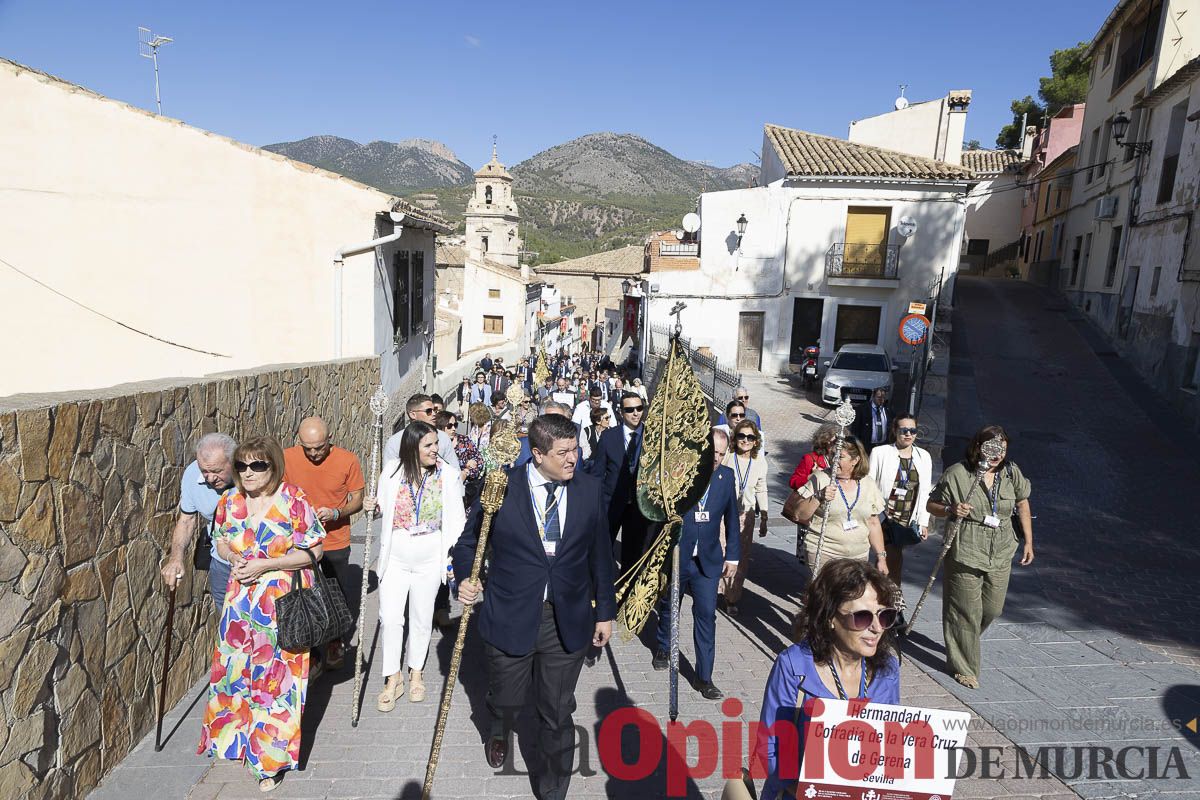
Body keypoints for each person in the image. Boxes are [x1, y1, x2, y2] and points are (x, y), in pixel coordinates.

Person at [454, 414, 616, 799]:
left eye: (575, 449)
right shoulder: (500, 488)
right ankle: (498, 724)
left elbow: (601, 556)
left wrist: (605, 611)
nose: (573, 459)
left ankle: (552, 790)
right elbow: (467, 545)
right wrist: (465, 577)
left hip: (566, 620)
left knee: (556, 712)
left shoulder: (589, 491)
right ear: (538, 453)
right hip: (510, 614)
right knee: (508, 698)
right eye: (563, 452)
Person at [197, 435, 326, 793]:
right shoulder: (231, 500)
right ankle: (241, 745)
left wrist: (268, 564)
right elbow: (221, 538)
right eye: (241, 465)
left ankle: (268, 762)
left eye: (258, 465)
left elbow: (316, 550)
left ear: (273, 466)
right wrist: (233, 556)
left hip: (279, 605)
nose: (249, 472)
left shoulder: (292, 499)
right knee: (237, 677)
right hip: (239, 607)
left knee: (276, 684)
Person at [755, 559, 901, 800]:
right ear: (830, 618)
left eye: (884, 616)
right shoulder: (794, 666)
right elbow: (771, 748)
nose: (876, 628)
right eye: (862, 617)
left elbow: (891, 740)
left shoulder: (888, 669)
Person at [363, 421, 466, 709]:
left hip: (430, 552)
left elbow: (457, 521)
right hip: (396, 552)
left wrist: (454, 560)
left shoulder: (448, 474)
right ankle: (392, 676)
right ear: (412, 447)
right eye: (429, 445)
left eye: (436, 444)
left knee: (421, 617)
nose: (436, 450)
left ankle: (416, 672)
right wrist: (372, 506)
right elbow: (382, 508)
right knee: (391, 617)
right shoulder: (392, 472)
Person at [927, 424, 1034, 689]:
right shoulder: (958, 474)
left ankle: (963, 641)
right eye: (992, 447)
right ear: (979, 446)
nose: (998, 454)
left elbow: (1022, 503)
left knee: (992, 609)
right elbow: (932, 504)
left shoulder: (1011, 473)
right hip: (965, 547)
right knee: (964, 611)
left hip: (1001, 549)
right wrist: (951, 508)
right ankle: (964, 667)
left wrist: (1029, 541)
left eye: (1003, 448)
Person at [652, 429, 740, 699]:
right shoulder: (681, 474)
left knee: (706, 615)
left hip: (708, 561)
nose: (716, 458)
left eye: (722, 454)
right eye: (713, 452)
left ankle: (704, 677)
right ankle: (665, 645)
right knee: (670, 605)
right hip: (679, 555)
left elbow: (732, 520)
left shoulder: (725, 479)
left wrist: (733, 556)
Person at [282, 417, 364, 670]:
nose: (315, 454)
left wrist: (337, 513)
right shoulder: (286, 458)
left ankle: (334, 641)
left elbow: (357, 499)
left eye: (319, 447)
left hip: (334, 540)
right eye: (308, 448)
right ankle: (311, 651)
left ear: (330, 439)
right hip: (298, 543)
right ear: (299, 441)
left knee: (333, 594)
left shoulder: (347, 459)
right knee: (302, 596)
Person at [792, 436, 887, 575]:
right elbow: (799, 514)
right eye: (832, 455)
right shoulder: (820, 478)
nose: (834, 460)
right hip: (825, 552)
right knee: (829, 595)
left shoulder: (868, 483)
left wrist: (881, 557)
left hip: (858, 555)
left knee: (853, 595)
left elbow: (873, 522)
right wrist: (819, 496)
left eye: (840, 457)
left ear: (855, 460)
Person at [161, 432, 237, 607]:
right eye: (205, 471)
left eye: (217, 471)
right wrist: (176, 559)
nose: (210, 478)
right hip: (222, 563)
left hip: (256, 562)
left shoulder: (252, 474)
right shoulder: (192, 474)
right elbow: (186, 521)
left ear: (233, 462)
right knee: (227, 625)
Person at [868, 414, 932, 591]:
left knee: (892, 559)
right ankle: (890, 597)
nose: (908, 434)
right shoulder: (880, 453)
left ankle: (884, 595)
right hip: (885, 516)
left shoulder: (924, 456)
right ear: (895, 431)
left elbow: (925, 490)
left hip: (907, 516)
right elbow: (870, 484)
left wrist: (923, 521)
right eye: (904, 430)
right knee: (889, 557)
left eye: (913, 431)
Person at [595, 392, 654, 573]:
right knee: (602, 552)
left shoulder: (652, 438)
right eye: (630, 410)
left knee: (633, 556)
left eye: (639, 408)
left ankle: (626, 595)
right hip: (611, 504)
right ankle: (601, 592)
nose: (635, 413)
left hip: (640, 508)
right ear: (621, 412)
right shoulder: (608, 437)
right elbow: (598, 473)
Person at [721, 419, 769, 616]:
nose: (746, 440)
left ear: (756, 440)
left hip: (745, 516)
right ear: (735, 438)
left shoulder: (759, 462)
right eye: (742, 436)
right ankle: (717, 590)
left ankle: (732, 597)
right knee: (722, 553)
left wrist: (764, 515)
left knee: (740, 558)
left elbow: (761, 488)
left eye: (750, 437)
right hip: (723, 514)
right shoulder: (727, 457)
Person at [384, 395, 461, 473]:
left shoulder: (443, 437)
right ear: (413, 414)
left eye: (434, 410)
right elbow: (389, 475)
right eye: (429, 411)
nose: (434, 414)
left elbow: (455, 470)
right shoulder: (395, 442)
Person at [437, 411, 483, 507]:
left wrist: (466, 472)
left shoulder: (464, 440)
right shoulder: (435, 445)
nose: (453, 429)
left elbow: (479, 460)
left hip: (466, 492)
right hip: (444, 492)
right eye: (449, 426)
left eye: (455, 425)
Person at [789, 424, 837, 490]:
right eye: (834, 443)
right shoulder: (810, 459)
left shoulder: (846, 460)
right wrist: (812, 477)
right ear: (824, 441)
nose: (837, 446)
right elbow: (793, 482)